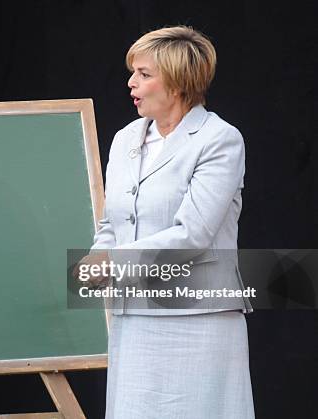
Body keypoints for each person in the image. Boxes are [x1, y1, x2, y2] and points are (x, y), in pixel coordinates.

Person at [85, 26, 255, 418]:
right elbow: (113, 220)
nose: (132, 83)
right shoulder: (126, 139)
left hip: (198, 319)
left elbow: (193, 233)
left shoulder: (219, 139)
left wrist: (114, 262)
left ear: (178, 82)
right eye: (133, 72)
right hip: (135, 315)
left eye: (144, 74)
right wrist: (96, 257)